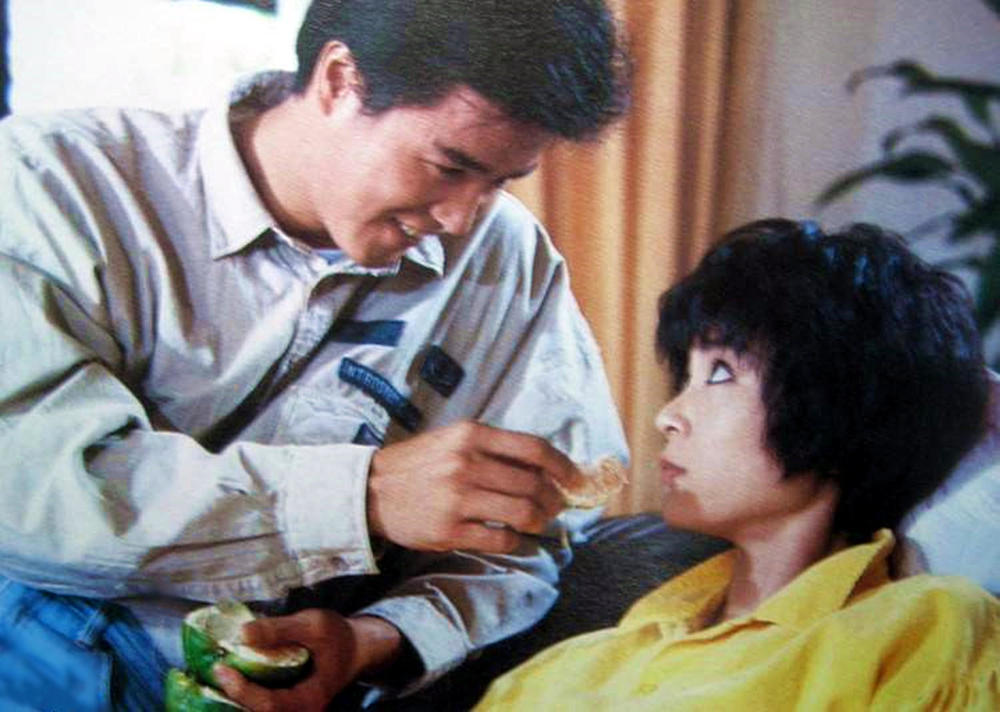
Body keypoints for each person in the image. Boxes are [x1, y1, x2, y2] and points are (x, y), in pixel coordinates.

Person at [0, 1, 631, 709]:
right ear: (338, 80)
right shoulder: (50, 184)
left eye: (500, 182)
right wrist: (363, 498)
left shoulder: (507, 260)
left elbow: (537, 539)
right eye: (450, 166)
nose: (462, 219)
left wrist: (372, 639)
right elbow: (33, 495)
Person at [475, 218, 1000, 710]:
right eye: (686, 378)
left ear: (844, 405)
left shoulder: (929, 628)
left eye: (721, 373)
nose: (668, 416)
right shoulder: (563, 669)